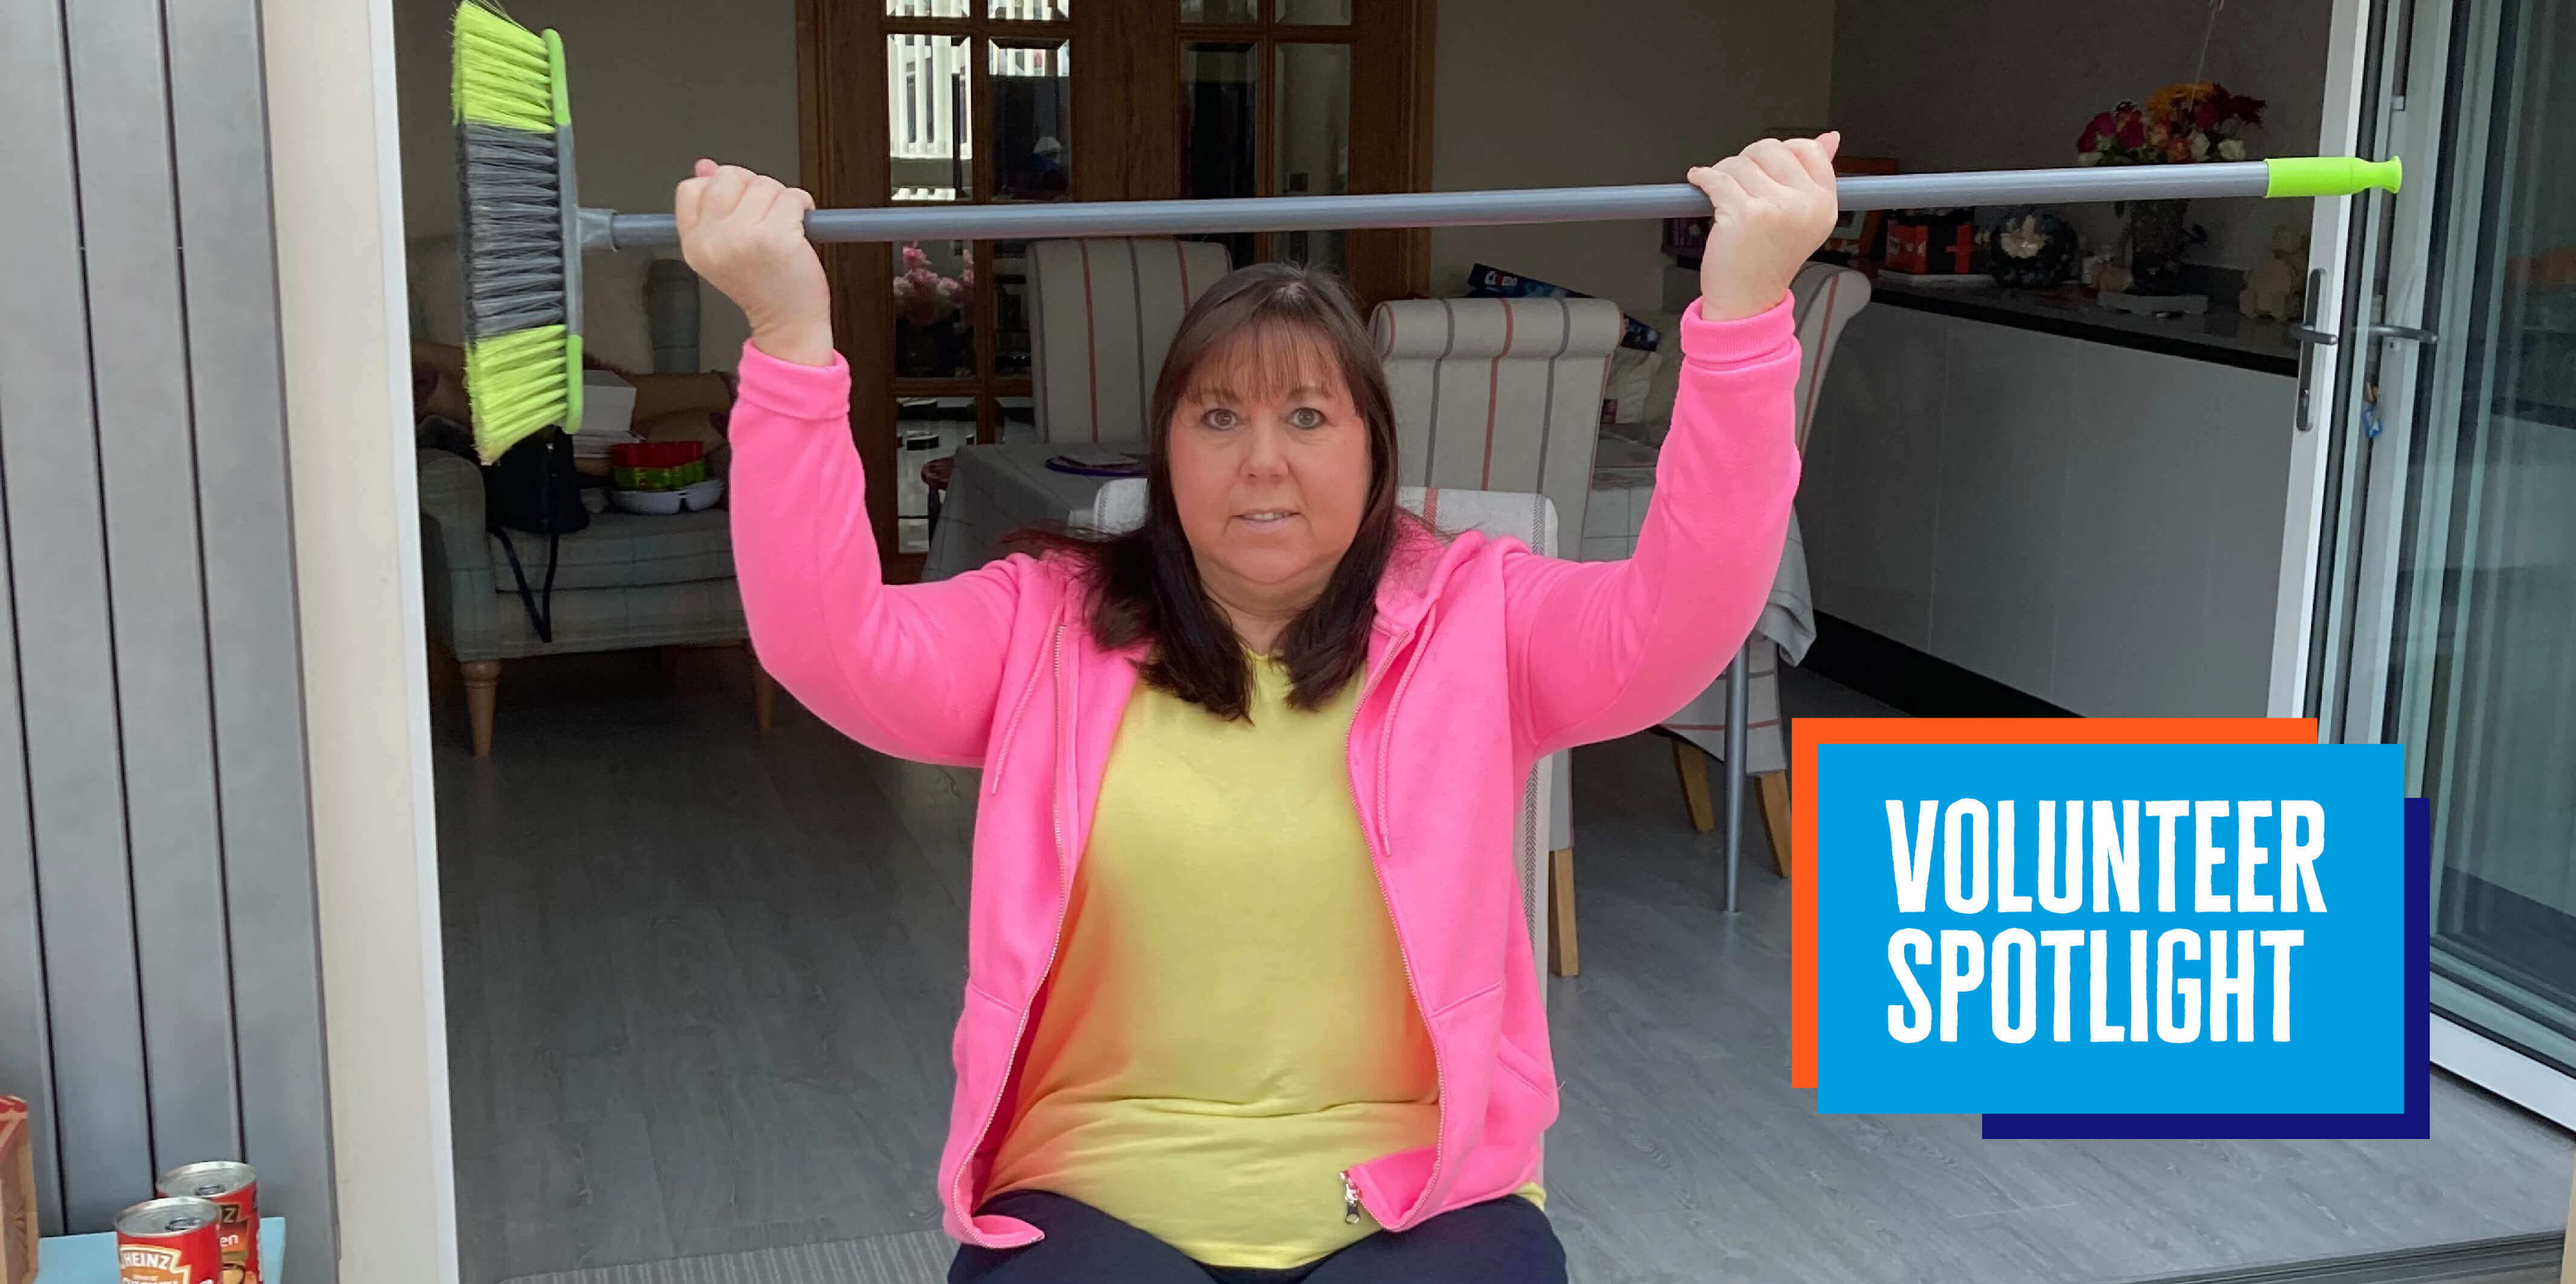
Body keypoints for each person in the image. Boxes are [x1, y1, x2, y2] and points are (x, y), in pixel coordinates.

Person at [676, 135, 1840, 1283]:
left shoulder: (1481, 619)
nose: (1262, 462)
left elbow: (1680, 616)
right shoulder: (1047, 621)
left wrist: (1740, 315)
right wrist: (788, 339)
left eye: (1309, 418)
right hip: (1095, 1192)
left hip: (1420, 1198)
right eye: (1219, 417)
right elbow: (828, 642)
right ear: (1168, 451)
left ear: (1377, 455)